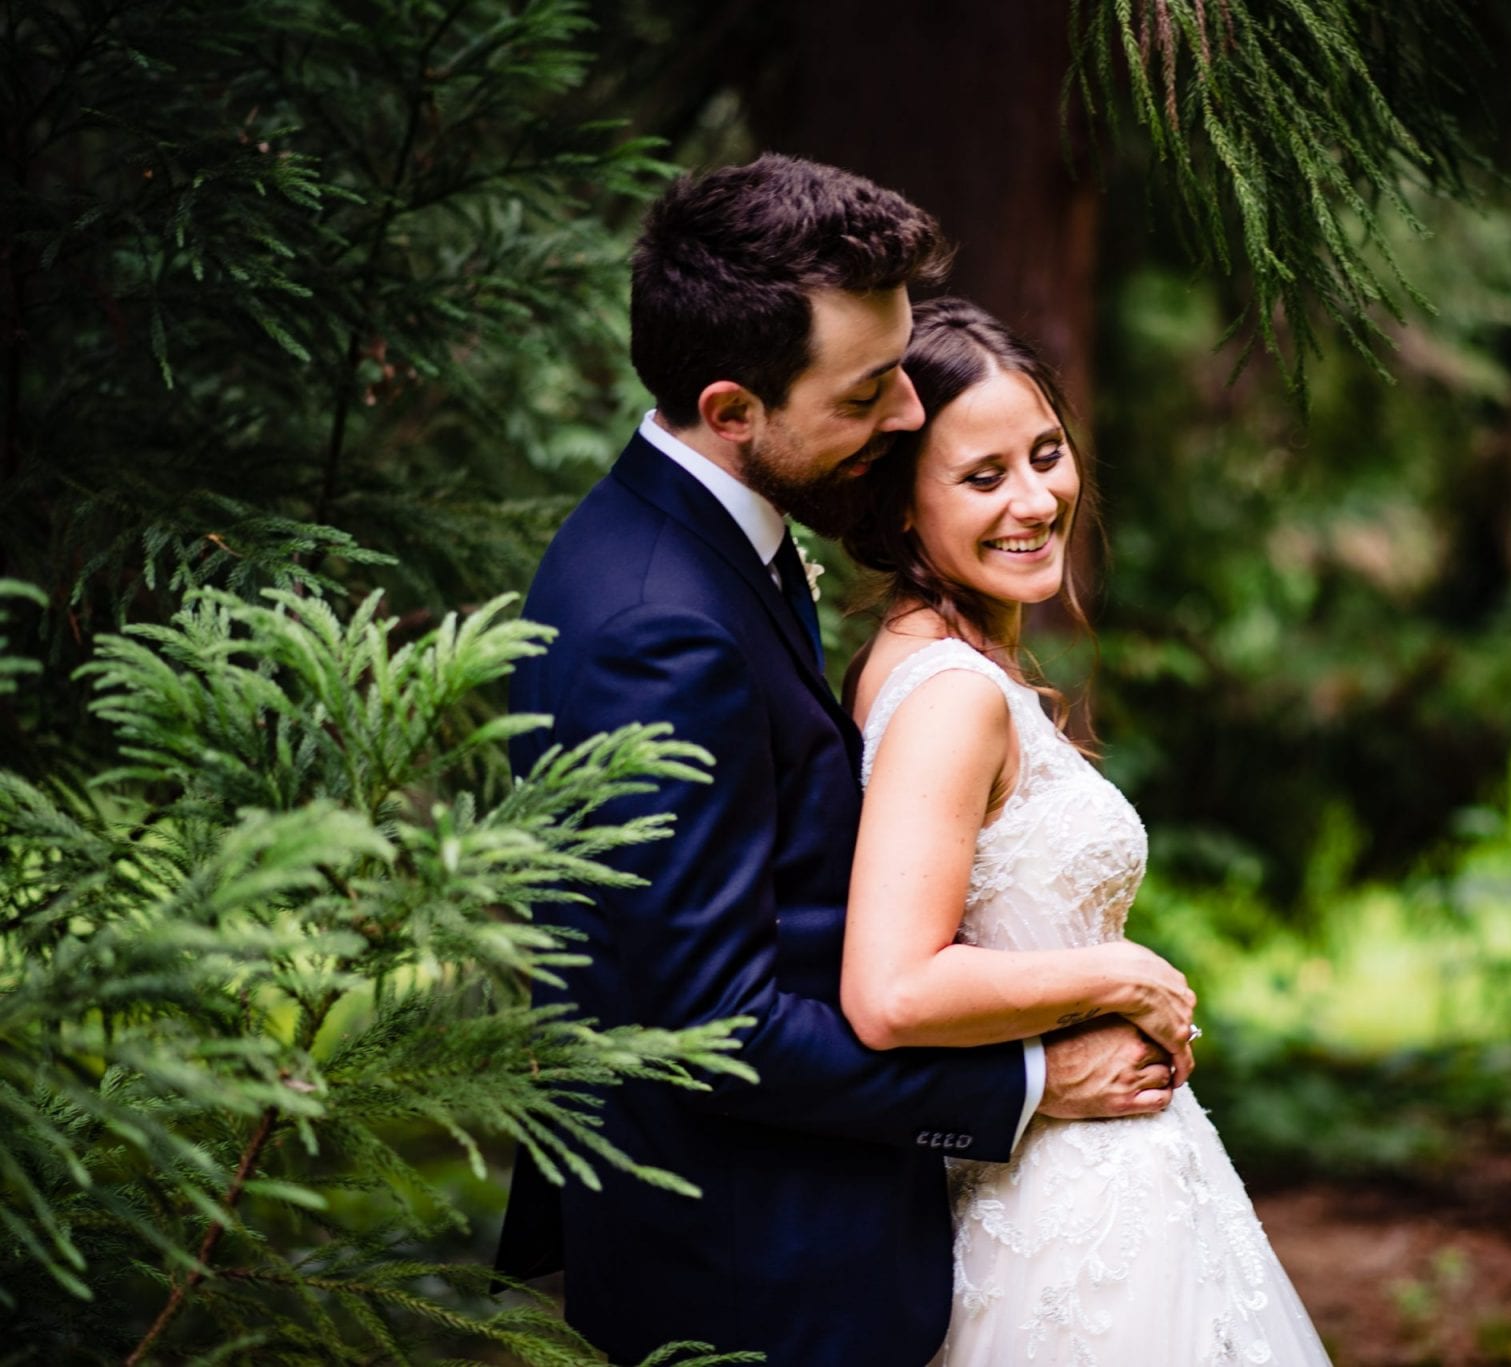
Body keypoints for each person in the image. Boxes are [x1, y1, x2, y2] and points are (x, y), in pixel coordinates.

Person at [494, 156, 1187, 1366]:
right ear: (731, 410)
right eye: (869, 393)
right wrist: (1025, 1087)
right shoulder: (657, 619)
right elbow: (713, 1023)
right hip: (753, 1278)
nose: (909, 414)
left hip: (804, 1238)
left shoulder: (711, 547)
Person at [839, 297, 1333, 1365]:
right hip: (1062, 1215)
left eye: (1046, 454)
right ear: (898, 504)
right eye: (982, 476)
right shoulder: (949, 695)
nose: (1033, 499)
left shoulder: (956, 667)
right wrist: (1122, 976)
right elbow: (892, 990)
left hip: (1105, 1186)